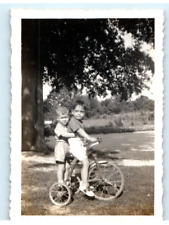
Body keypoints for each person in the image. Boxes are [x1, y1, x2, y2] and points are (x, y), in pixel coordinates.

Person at [68, 100, 97, 197]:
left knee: (86, 162)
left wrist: (86, 140)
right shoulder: (72, 121)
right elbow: (79, 131)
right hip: (74, 144)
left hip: (79, 143)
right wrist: (89, 138)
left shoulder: (80, 122)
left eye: (81, 112)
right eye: (76, 111)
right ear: (72, 112)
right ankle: (84, 185)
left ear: (84, 113)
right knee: (86, 163)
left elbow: (81, 134)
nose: (79, 113)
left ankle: (84, 182)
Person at [54, 106, 75, 184]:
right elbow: (63, 134)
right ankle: (60, 182)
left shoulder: (67, 126)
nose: (64, 120)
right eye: (62, 118)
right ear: (58, 119)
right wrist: (74, 135)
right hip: (60, 147)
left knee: (68, 165)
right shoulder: (58, 126)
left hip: (67, 146)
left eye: (66, 117)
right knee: (61, 166)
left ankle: (66, 179)